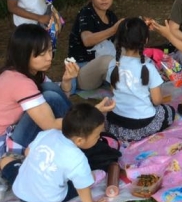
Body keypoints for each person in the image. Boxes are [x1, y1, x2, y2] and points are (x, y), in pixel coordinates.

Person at [0, 24, 114, 155]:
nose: (49, 58)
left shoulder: (26, 72)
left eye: (49, 51)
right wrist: (91, 113)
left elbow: (60, 100)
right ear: (24, 54)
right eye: (41, 54)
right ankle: (84, 135)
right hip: (5, 146)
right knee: (48, 97)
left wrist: (66, 80)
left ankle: (82, 133)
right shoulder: (20, 82)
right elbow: (51, 124)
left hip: (14, 129)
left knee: (49, 89)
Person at [0, 103, 109, 202]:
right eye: (97, 136)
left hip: (20, 190)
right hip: (48, 199)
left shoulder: (47, 133)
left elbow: (28, 152)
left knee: (6, 160)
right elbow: (82, 188)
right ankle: (93, 177)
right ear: (79, 140)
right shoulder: (78, 159)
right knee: (86, 179)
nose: (99, 137)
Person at [105, 18, 175, 142]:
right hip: (143, 123)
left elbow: (113, 89)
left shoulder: (113, 63)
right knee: (168, 111)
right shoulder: (148, 66)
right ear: (146, 40)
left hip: (116, 122)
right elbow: (157, 100)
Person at [69, 0, 123, 91]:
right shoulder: (86, 14)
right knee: (106, 61)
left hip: (105, 70)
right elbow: (87, 40)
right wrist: (113, 30)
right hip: (82, 71)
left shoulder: (111, 16)